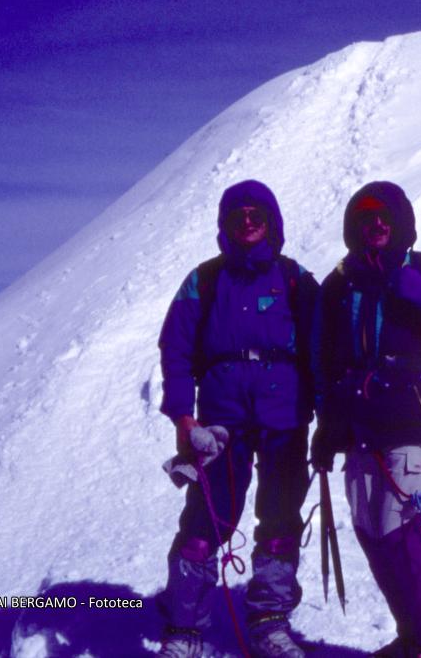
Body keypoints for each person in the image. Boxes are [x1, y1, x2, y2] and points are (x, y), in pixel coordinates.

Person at [312, 181, 421, 658]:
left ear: (400, 223)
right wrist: (326, 425)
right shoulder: (339, 283)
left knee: (397, 529)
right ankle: (414, 635)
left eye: (384, 216)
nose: (376, 224)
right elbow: (323, 362)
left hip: (412, 420)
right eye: (366, 217)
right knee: (370, 530)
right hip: (357, 425)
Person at [157, 179, 319, 658]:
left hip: (285, 416)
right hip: (221, 420)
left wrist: (330, 417)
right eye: (237, 214)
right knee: (208, 518)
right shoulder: (205, 280)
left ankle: (269, 620)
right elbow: (176, 349)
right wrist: (182, 416)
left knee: (281, 517)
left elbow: (322, 348)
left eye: (256, 213)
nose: (247, 221)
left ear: (272, 221)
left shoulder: (295, 279)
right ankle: (185, 627)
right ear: (224, 224)